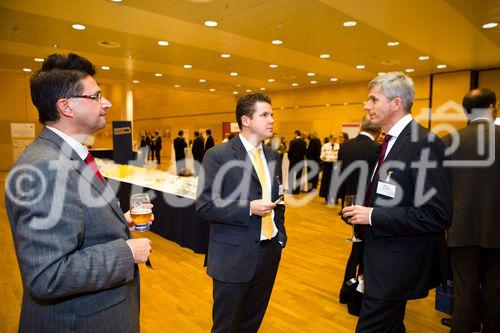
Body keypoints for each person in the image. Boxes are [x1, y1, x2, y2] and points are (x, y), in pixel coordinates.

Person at [4, 53, 152, 332]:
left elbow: (74, 222)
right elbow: (48, 275)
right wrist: (126, 252)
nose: (106, 103)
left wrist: (120, 220)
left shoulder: (66, 156)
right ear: (67, 107)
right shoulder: (46, 169)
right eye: (95, 97)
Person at [341, 72, 453, 333]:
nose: (366, 106)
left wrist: (372, 216)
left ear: (396, 103)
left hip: (398, 263)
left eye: (373, 99)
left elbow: (438, 214)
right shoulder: (389, 142)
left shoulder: (425, 143)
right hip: (380, 257)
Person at [196, 92, 286, 333]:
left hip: (269, 253)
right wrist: (248, 207)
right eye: (265, 115)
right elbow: (205, 205)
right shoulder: (218, 156)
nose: (271, 120)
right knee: (226, 326)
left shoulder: (273, 156)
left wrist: (281, 237)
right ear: (245, 120)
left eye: (272, 115)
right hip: (233, 257)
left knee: (251, 323)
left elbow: (280, 199)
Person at [442, 88, 499, 333]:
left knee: (464, 293)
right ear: (493, 106)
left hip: (460, 229)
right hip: (498, 230)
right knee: (495, 293)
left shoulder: (448, 143)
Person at [337, 115, 381, 315]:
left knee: (357, 250)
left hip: (349, 204)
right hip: (366, 208)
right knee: (361, 252)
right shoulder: (377, 149)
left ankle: (347, 291)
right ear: (379, 130)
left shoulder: (346, 146)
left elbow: (339, 176)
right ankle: (356, 296)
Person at [319, 134, 338, 203]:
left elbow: (339, 156)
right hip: (327, 165)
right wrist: (325, 158)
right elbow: (321, 156)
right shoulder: (325, 146)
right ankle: (327, 198)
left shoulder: (338, 146)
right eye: (333, 138)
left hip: (335, 165)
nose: (335, 140)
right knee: (327, 182)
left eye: (336, 138)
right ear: (330, 138)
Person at [287, 130, 307, 194]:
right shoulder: (304, 142)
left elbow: (289, 152)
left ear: (296, 134)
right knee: (299, 176)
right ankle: (297, 191)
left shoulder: (292, 142)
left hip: (293, 161)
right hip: (300, 161)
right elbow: (305, 152)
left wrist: (290, 159)